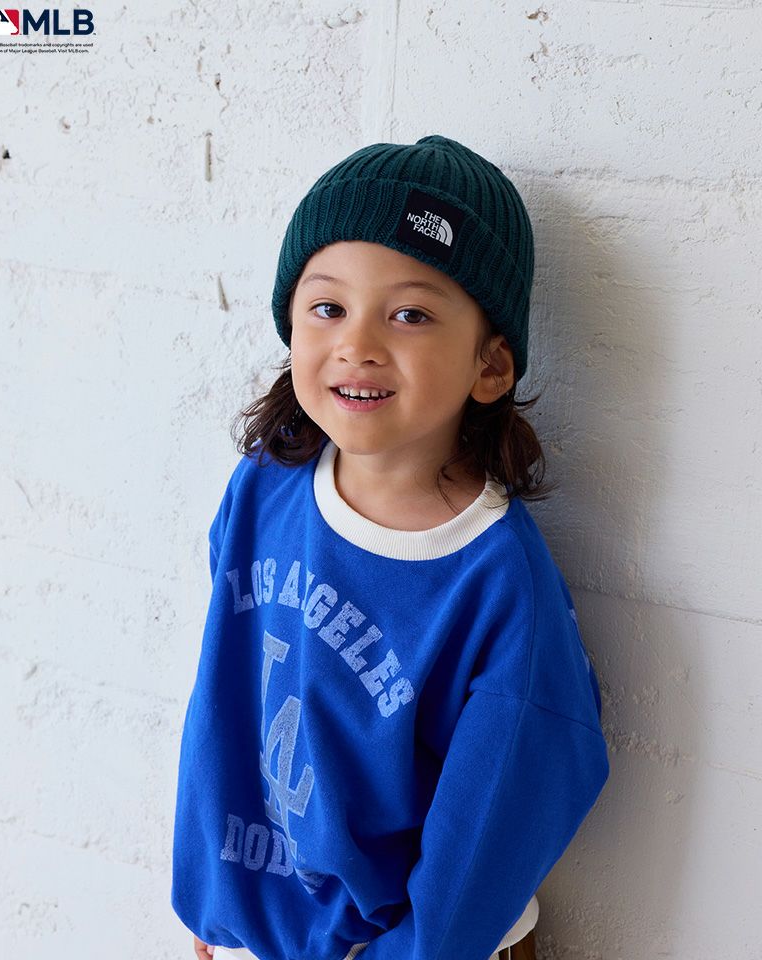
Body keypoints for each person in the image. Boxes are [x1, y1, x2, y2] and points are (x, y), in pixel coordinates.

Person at [170, 134, 610, 960]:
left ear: (490, 365)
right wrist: (219, 903)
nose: (358, 343)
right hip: (269, 934)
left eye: (410, 314)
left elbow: (507, 812)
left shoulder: (498, 582)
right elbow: (225, 697)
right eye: (328, 307)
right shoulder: (263, 489)